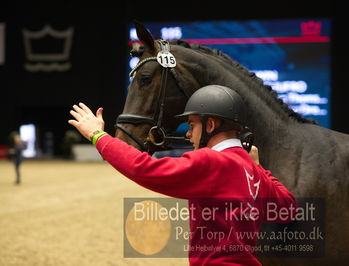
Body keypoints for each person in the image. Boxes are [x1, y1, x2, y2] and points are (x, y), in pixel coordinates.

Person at [68, 85, 296, 266]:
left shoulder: (211, 161)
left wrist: (99, 136)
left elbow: (142, 168)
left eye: (192, 124)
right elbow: (288, 208)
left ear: (211, 124)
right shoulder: (252, 169)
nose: (187, 134)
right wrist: (260, 168)